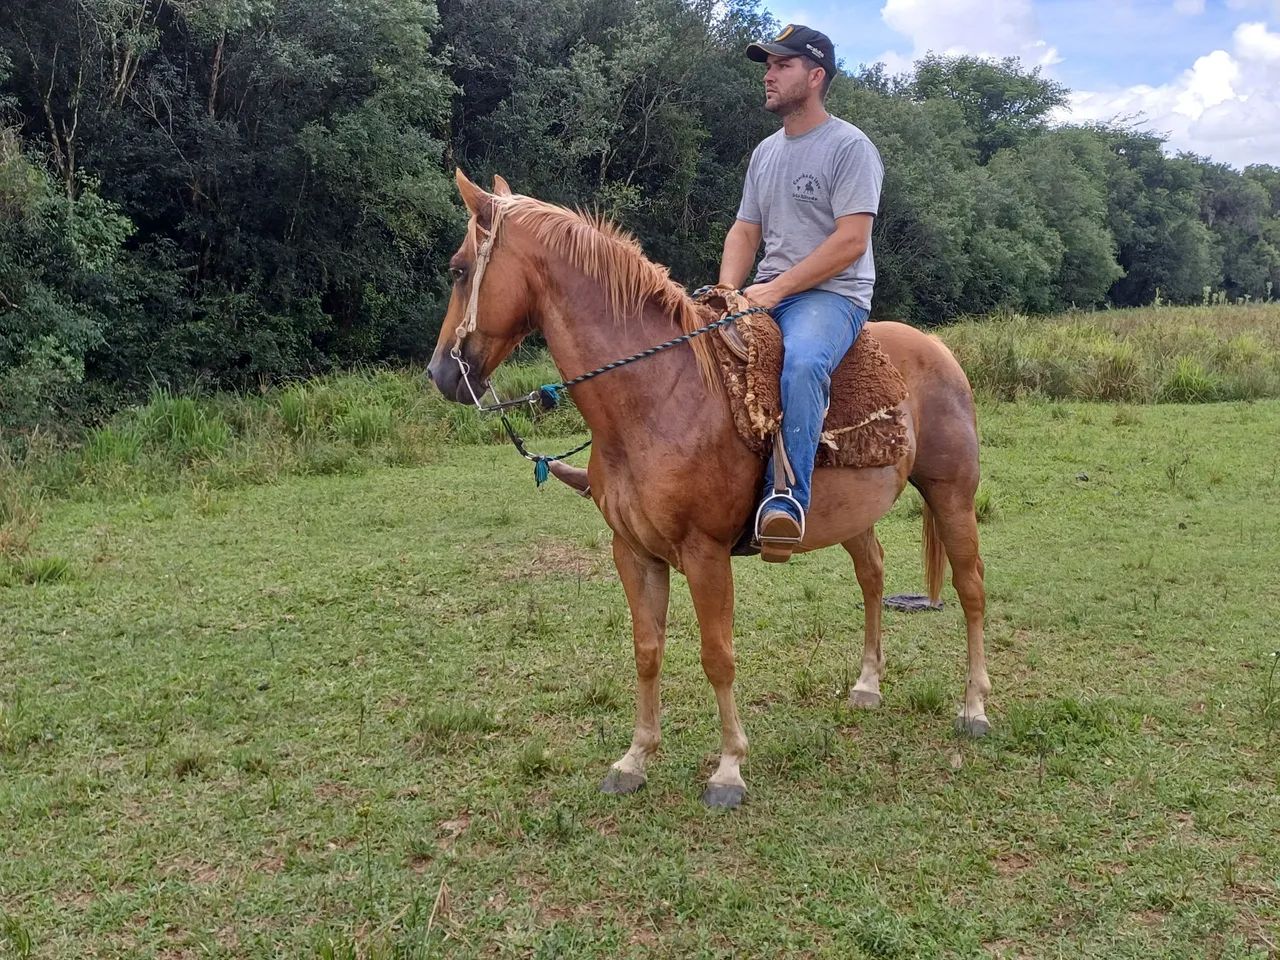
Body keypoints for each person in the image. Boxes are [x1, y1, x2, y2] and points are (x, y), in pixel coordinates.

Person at [719, 24, 884, 563]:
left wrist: (774, 290)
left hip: (834, 295)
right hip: (771, 288)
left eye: (782, 65)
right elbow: (746, 231)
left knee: (803, 363)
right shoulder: (765, 153)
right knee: (691, 347)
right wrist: (725, 294)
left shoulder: (849, 147)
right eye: (767, 64)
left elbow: (851, 241)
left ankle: (785, 500)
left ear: (815, 77)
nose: (768, 74)